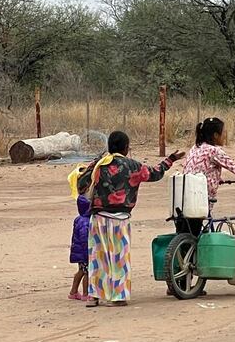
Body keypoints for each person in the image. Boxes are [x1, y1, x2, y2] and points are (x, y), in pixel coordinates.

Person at [77, 131, 184, 307]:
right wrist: (170, 159)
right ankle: (117, 296)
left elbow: (81, 185)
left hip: (98, 218)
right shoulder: (133, 166)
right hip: (120, 218)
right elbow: (155, 173)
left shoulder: (98, 165)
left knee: (98, 256)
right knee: (119, 257)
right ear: (126, 148)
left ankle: (94, 296)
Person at [68, 194, 91, 301]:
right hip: (84, 251)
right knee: (87, 272)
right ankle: (86, 293)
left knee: (81, 271)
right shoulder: (86, 221)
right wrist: (88, 252)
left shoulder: (79, 219)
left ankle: (73, 291)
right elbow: (84, 238)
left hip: (78, 251)